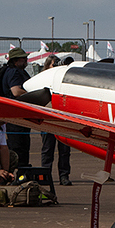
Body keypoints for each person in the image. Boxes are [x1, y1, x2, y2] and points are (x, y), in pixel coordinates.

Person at [39, 55, 72, 186]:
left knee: (65, 150)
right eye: (54, 64)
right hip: (48, 118)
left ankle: (64, 175)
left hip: (62, 118)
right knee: (47, 149)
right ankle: (45, 174)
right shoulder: (42, 79)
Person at [1, 47, 31, 166]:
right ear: (15, 61)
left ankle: (23, 170)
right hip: (15, 115)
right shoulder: (14, 72)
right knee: (17, 146)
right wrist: (33, 96)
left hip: (20, 115)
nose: (25, 61)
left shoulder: (20, 71)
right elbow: (16, 91)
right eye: (23, 59)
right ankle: (17, 171)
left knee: (23, 145)